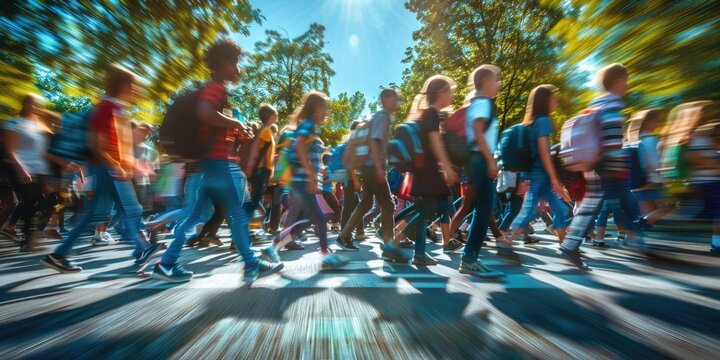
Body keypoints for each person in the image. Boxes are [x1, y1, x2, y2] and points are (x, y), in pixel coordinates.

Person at [151, 39, 283, 283]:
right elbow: (205, 113)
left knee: (194, 215)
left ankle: (166, 264)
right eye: (235, 63)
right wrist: (236, 124)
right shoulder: (216, 88)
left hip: (208, 164)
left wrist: (235, 132)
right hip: (218, 163)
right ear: (222, 64)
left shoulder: (216, 90)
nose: (238, 69)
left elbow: (208, 124)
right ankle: (252, 265)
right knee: (238, 214)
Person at [41, 65, 159, 272]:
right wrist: (116, 166)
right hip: (106, 168)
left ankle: (59, 255)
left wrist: (130, 165)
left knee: (94, 213)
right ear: (123, 85)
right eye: (134, 85)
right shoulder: (107, 108)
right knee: (131, 208)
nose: (137, 90)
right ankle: (142, 248)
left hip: (106, 168)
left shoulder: (116, 108)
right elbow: (97, 144)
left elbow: (117, 144)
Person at [558, 63, 643, 269]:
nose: (627, 85)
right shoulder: (613, 105)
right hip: (608, 164)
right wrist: (617, 162)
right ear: (617, 81)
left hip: (596, 162)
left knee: (597, 204)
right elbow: (611, 139)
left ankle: (638, 233)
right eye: (626, 80)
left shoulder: (597, 104)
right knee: (612, 203)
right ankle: (639, 233)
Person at [262, 91, 349, 269]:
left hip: (300, 180)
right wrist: (310, 175)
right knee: (318, 218)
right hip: (301, 180)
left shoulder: (308, 125)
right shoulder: (308, 124)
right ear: (317, 108)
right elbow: (299, 145)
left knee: (314, 218)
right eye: (325, 108)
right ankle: (324, 255)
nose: (327, 112)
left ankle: (273, 248)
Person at [336, 89, 409, 260]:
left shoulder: (379, 117)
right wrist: (378, 167)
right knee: (389, 205)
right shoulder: (383, 117)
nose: (398, 103)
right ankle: (389, 245)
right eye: (396, 99)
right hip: (373, 167)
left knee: (366, 204)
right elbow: (375, 141)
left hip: (367, 167)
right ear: (386, 99)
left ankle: (344, 236)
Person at [507, 85, 572, 244]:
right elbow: (544, 152)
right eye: (553, 98)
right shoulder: (544, 121)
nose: (556, 102)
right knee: (529, 211)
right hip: (540, 174)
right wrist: (554, 179)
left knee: (560, 209)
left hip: (536, 173)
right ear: (545, 101)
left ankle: (566, 245)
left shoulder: (532, 122)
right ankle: (506, 242)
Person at [459, 65, 506, 278]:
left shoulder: (477, 103)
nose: (500, 84)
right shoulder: (483, 103)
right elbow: (478, 133)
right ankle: (469, 258)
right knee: (484, 209)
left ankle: (470, 256)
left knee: (481, 208)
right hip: (479, 159)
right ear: (487, 81)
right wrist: (490, 160)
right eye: (497, 80)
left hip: (475, 159)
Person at [408, 75, 459, 265]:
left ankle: (416, 251)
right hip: (428, 171)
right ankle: (398, 242)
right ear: (440, 93)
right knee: (425, 211)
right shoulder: (431, 114)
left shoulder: (429, 113)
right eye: (450, 91)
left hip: (427, 170)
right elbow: (434, 141)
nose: (452, 96)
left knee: (428, 210)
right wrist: (446, 166)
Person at [1, 94, 55, 251]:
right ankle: (27, 236)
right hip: (22, 169)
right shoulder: (13, 123)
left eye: (37, 105)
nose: (34, 107)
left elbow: (44, 152)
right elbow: (10, 150)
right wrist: (21, 168)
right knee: (29, 201)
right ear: (23, 104)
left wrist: (64, 163)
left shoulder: (39, 126)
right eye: (31, 104)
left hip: (41, 170)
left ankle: (29, 232)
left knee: (49, 201)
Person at [245, 104, 277, 222]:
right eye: (275, 114)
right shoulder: (266, 130)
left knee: (255, 198)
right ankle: (243, 225)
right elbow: (256, 147)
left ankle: (248, 225)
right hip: (261, 169)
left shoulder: (265, 130)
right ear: (272, 116)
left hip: (262, 169)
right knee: (255, 199)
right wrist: (251, 165)